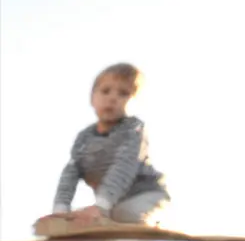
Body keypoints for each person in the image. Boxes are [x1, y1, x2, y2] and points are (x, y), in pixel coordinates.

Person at [42, 63, 170, 230]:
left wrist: (101, 205)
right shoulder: (84, 138)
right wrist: (60, 209)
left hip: (147, 195)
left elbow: (123, 168)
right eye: (105, 91)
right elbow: (71, 173)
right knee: (79, 221)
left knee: (126, 215)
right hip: (112, 204)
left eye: (124, 94)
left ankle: (153, 234)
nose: (112, 98)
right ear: (92, 98)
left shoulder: (133, 129)